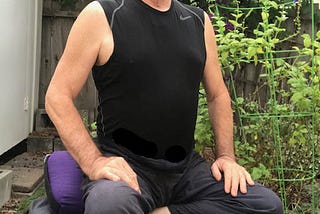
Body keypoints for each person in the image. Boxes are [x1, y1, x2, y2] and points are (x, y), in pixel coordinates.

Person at [45, 0, 284, 213]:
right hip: (127, 166)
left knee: (264, 205)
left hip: (185, 170)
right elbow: (58, 96)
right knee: (108, 205)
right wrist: (94, 162)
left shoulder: (198, 21)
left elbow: (218, 95)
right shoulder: (103, 15)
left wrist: (226, 157)